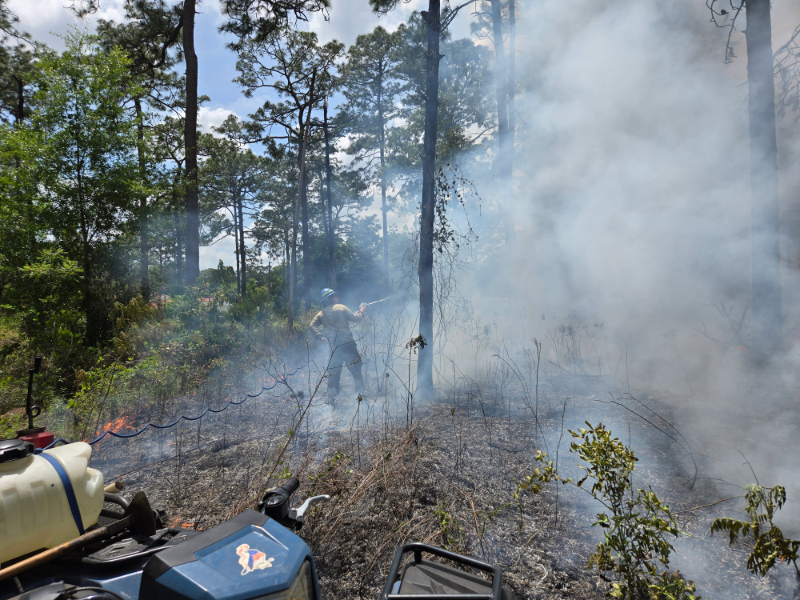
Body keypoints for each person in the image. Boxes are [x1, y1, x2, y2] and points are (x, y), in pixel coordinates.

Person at [309, 288, 367, 402]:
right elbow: (355, 318)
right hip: (348, 344)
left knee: (334, 372)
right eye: (334, 295)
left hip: (334, 346)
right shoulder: (341, 307)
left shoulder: (321, 313)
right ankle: (360, 397)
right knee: (356, 370)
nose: (336, 297)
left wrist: (320, 337)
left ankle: (331, 399)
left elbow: (311, 326)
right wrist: (361, 311)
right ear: (330, 298)